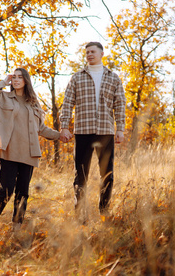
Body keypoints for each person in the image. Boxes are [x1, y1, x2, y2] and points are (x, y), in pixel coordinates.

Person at [0, 68, 61, 242]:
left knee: (23, 192)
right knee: (6, 190)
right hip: (9, 151)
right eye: (14, 77)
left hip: (29, 153)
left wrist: (59, 135)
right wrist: (4, 81)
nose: (16, 80)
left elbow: (41, 129)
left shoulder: (33, 103)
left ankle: (17, 228)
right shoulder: (3, 98)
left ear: (26, 80)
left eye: (20, 77)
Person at [59, 41, 126, 221]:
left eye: (93, 51)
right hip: (82, 131)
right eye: (87, 52)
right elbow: (67, 103)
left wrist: (120, 128)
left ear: (102, 54)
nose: (89, 54)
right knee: (80, 175)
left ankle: (104, 212)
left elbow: (119, 104)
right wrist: (64, 126)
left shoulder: (113, 78)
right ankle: (80, 215)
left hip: (105, 131)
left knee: (107, 174)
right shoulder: (77, 77)